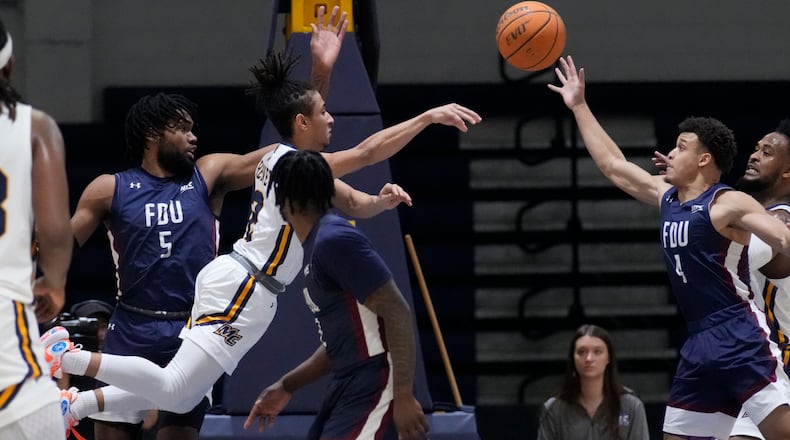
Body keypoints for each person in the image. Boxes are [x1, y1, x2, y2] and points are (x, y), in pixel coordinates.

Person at [41, 19, 481, 437]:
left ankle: (73, 405)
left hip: (238, 285)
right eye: (325, 113)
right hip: (244, 286)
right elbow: (366, 151)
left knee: (179, 392)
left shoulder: (290, 164)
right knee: (174, 389)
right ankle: (66, 354)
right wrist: (427, 118)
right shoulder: (288, 162)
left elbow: (349, 194)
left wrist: (380, 202)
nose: (333, 119)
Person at [63, 7, 351, 440]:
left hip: (195, 330)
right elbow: (57, 248)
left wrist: (319, 73)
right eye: (183, 129)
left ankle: (70, 373)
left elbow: (293, 150)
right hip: (133, 328)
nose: (194, 137)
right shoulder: (109, 188)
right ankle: (66, 369)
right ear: (152, 135)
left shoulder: (209, 174)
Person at [548, 55, 790, 439]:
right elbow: (613, 165)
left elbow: (781, 238)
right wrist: (579, 105)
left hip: (739, 332)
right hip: (698, 340)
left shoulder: (727, 202)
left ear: (704, 159)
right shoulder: (668, 199)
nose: (671, 153)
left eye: (681, 147)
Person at [243, 149, 429, 439]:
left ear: (282, 200)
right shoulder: (320, 243)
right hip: (351, 379)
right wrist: (287, 385)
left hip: (377, 380)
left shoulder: (334, 239)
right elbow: (345, 341)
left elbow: (397, 310)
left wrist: (402, 395)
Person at [657, 119, 790, 440]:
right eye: (756, 148)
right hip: (743, 346)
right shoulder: (743, 212)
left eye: (767, 152)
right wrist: (688, 187)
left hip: (772, 350)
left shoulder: (781, 217)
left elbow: (731, 249)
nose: (755, 155)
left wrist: (690, 195)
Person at [0, 18, 73, 440]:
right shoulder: (35, 127)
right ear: (9, 67)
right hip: (14, 377)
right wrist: (55, 280)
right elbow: (54, 228)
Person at [537, 324, 649, 439]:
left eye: (597, 352)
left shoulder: (631, 406)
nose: (589, 358)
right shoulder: (554, 408)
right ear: (573, 358)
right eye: (581, 352)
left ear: (608, 358)